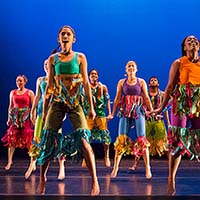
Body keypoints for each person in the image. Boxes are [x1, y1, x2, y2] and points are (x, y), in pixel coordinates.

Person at [36, 25, 100, 196]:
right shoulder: (52, 59)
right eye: (62, 34)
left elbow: (86, 83)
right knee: (48, 139)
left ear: (73, 39)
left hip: (75, 103)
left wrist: (91, 107)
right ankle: (43, 178)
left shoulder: (80, 57)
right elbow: (49, 86)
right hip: (57, 103)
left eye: (68, 34)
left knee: (85, 140)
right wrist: (43, 111)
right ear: (59, 39)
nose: (65, 36)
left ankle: (95, 181)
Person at [152, 35, 200, 195]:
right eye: (189, 41)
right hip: (180, 104)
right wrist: (160, 108)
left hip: (198, 105)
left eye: (195, 40)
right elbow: (170, 86)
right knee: (177, 142)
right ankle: (171, 178)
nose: (193, 42)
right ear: (184, 47)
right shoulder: (178, 63)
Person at [107, 60, 153, 179]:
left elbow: (146, 98)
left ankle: (148, 168)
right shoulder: (122, 82)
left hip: (138, 111)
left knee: (142, 138)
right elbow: (117, 99)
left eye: (133, 66)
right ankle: (116, 167)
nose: (131, 67)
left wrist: (152, 111)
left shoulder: (141, 82)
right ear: (126, 69)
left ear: (136, 69)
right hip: (125, 111)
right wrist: (112, 113)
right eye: (129, 66)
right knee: (121, 139)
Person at [24, 60, 65, 180]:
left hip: (54, 111)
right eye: (44, 65)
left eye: (48, 65)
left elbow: (61, 96)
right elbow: (37, 96)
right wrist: (33, 110)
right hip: (41, 112)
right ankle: (32, 162)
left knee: (57, 138)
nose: (46, 67)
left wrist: (62, 111)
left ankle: (62, 166)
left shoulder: (58, 79)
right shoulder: (40, 80)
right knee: (37, 137)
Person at [129, 76, 170, 171]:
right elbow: (140, 108)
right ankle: (135, 164)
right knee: (141, 143)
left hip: (158, 121)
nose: (153, 81)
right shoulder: (144, 94)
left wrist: (168, 123)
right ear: (149, 84)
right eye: (151, 80)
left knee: (164, 143)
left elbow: (165, 110)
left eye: (155, 80)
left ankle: (171, 163)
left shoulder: (162, 94)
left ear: (158, 84)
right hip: (146, 121)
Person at [1, 75, 34, 170]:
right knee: (12, 138)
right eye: (17, 81)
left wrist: (33, 117)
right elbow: (10, 106)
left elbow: (33, 107)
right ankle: (9, 161)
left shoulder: (29, 93)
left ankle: (33, 162)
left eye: (20, 81)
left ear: (24, 82)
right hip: (15, 117)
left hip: (25, 117)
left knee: (28, 138)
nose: (18, 82)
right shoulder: (12, 92)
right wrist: (9, 118)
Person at [81, 69, 112, 168]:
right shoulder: (85, 87)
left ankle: (106, 157)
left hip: (100, 114)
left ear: (98, 76)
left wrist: (110, 113)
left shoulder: (103, 87)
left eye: (95, 74)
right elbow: (81, 100)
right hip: (89, 114)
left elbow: (107, 100)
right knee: (86, 137)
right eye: (92, 74)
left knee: (105, 136)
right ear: (89, 76)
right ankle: (86, 158)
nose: (93, 75)